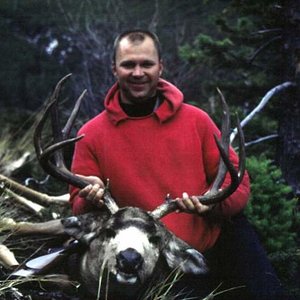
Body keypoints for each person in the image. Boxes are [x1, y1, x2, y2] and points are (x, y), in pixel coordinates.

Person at [69, 29, 289, 300]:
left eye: (146, 64)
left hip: (211, 243)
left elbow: (239, 183)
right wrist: (89, 196)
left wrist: (213, 203)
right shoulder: (92, 134)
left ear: (161, 67)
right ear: (114, 68)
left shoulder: (196, 121)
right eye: (128, 64)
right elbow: (77, 205)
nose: (138, 72)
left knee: (262, 279)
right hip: (149, 259)